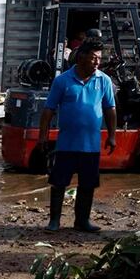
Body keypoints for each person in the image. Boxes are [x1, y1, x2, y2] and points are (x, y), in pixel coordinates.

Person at [38, 39, 117, 233]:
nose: (97, 62)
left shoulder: (104, 80)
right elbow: (48, 110)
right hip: (66, 144)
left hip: (91, 146)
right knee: (58, 183)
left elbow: (110, 110)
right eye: (93, 58)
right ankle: (54, 221)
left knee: (88, 185)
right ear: (81, 57)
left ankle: (82, 221)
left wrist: (112, 136)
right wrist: (42, 136)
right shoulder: (62, 80)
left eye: (99, 58)